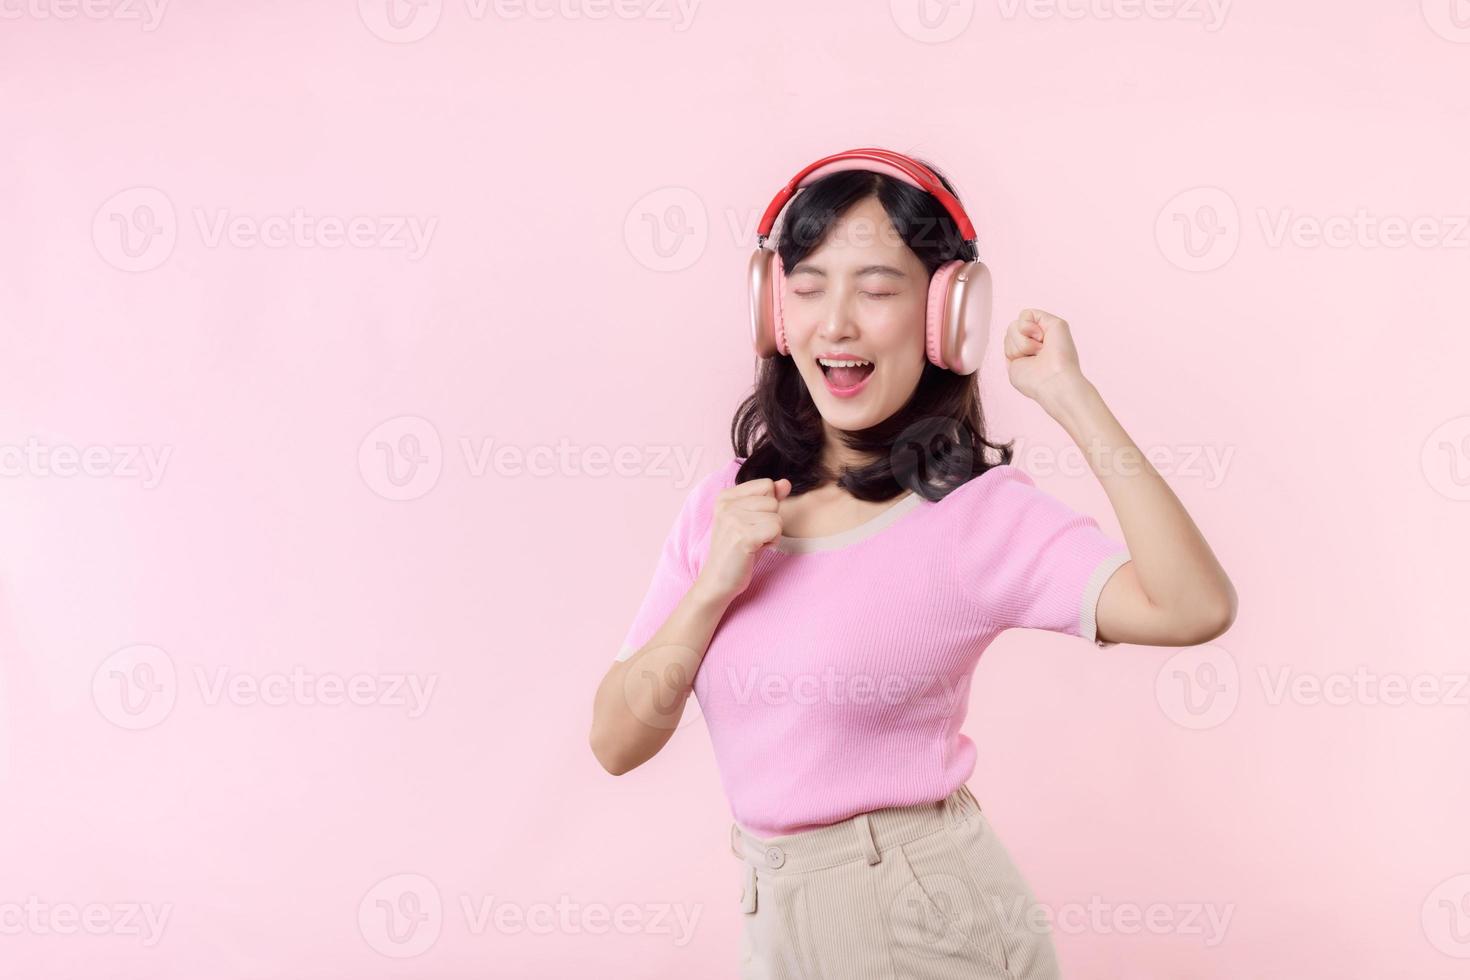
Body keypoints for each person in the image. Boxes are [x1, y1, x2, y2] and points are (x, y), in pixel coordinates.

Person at [589, 148, 1237, 978]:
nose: (837, 324)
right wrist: (714, 585)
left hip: (923, 920)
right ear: (774, 310)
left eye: (878, 287)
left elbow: (1194, 607)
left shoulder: (974, 515)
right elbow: (615, 742)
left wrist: (1072, 395)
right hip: (776, 920)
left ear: (945, 317)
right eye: (811, 284)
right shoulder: (727, 509)